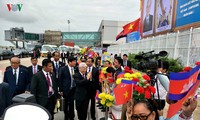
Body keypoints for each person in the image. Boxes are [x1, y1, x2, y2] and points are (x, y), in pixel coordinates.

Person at [59, 56, 77, 120]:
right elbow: (60, 80)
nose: (75, 62)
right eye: (74, 61)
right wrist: (60, 90)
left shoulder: (76, 69)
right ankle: (66, 116)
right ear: (69, 62)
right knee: (66, 104)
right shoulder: (63, 69)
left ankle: (71, 116)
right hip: (66, 89)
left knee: (72, 103)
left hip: (73, 89)